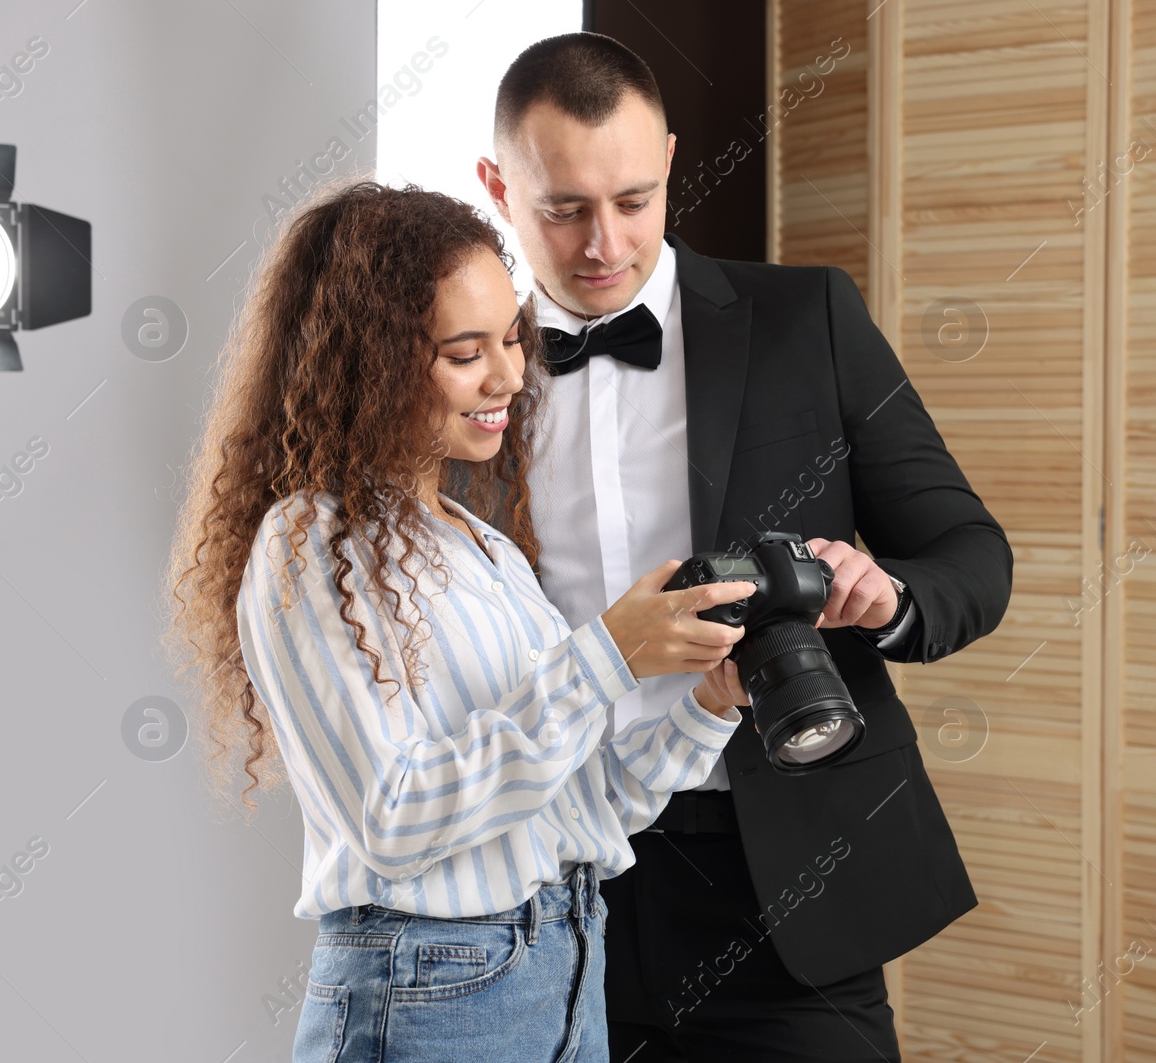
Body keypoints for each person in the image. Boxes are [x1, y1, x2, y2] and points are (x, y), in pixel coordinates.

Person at [479, 33, 1013, 1062]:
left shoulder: (804, 317)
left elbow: (970, 553)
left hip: (785, 876)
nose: (603, 243)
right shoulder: (461, 371)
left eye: (633, 201)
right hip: (546, 883)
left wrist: (885, 591)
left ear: (673, 161)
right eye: (563, 208)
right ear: (498, 184)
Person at [164, 181, 761, 1063]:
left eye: (512, 338)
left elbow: (587, 804)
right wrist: (603, 657)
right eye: (463, 351)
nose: (509, 376)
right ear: (370, 362)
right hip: (433, 993)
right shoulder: (310, 545)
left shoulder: (484, 547)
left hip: (563, 966)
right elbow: (395, 815)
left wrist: (709, 704)